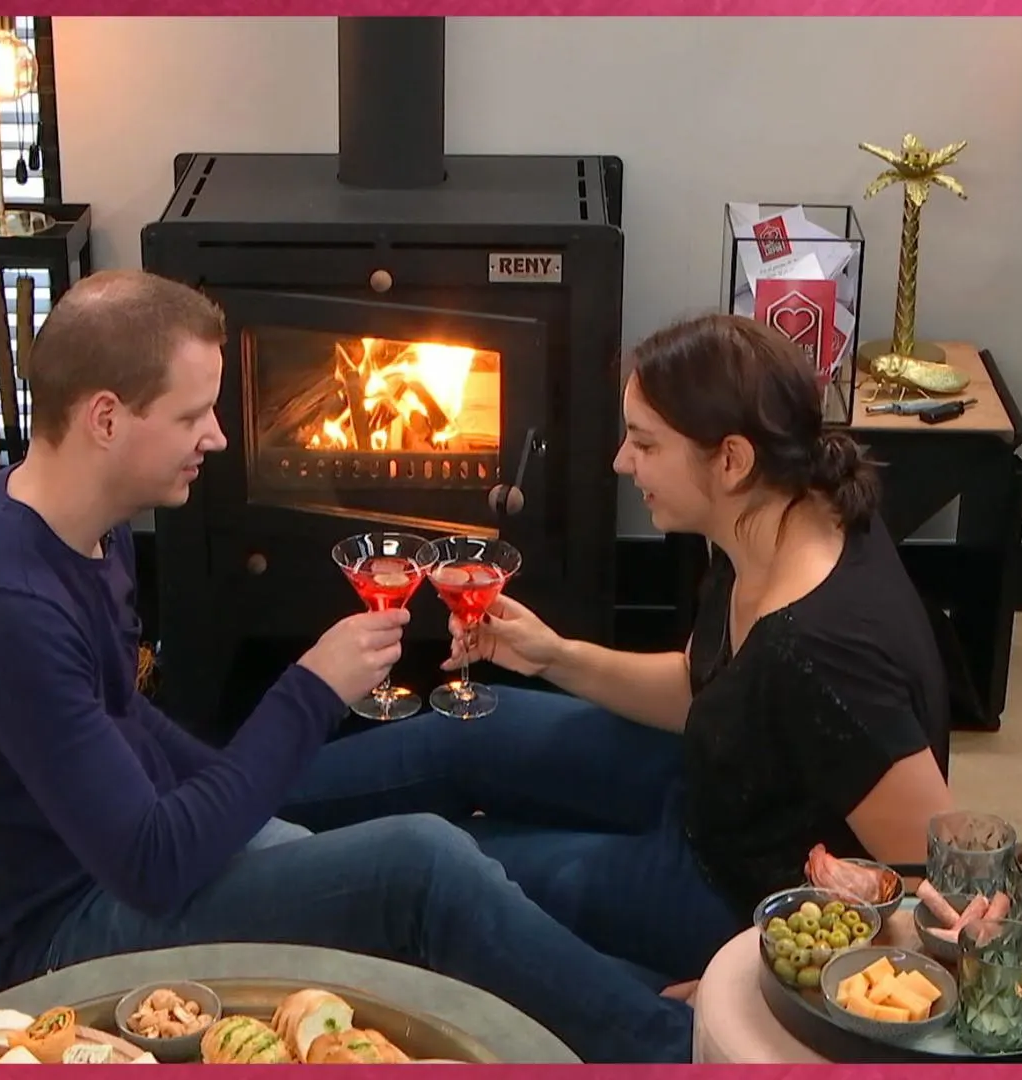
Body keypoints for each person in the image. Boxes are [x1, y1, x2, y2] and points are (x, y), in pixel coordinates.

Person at [0, 269, 692, 1064]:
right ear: (105, 419)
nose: (217, 437)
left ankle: (663, 944)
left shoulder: (87, 527)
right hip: (60, 936)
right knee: (419, 866)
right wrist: (310, 691)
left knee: (449, 757)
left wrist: (246, 800)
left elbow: (125, 721)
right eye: (192, 415)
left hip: (134, 846)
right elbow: (151, 864)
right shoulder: (2, 604)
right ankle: (678, 1051)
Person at [280, 312, 957, 991]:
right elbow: (708, 690)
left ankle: (265, 897)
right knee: (467, 730)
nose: (621, 461)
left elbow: (942, 881)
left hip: (725, 892)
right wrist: (552, 656)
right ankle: (239, 809)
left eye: (644, 442)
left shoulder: (823, 654)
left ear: (731, 459)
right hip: (708, 785)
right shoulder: (772, 518)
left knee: (447, 867)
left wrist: (758, 984)